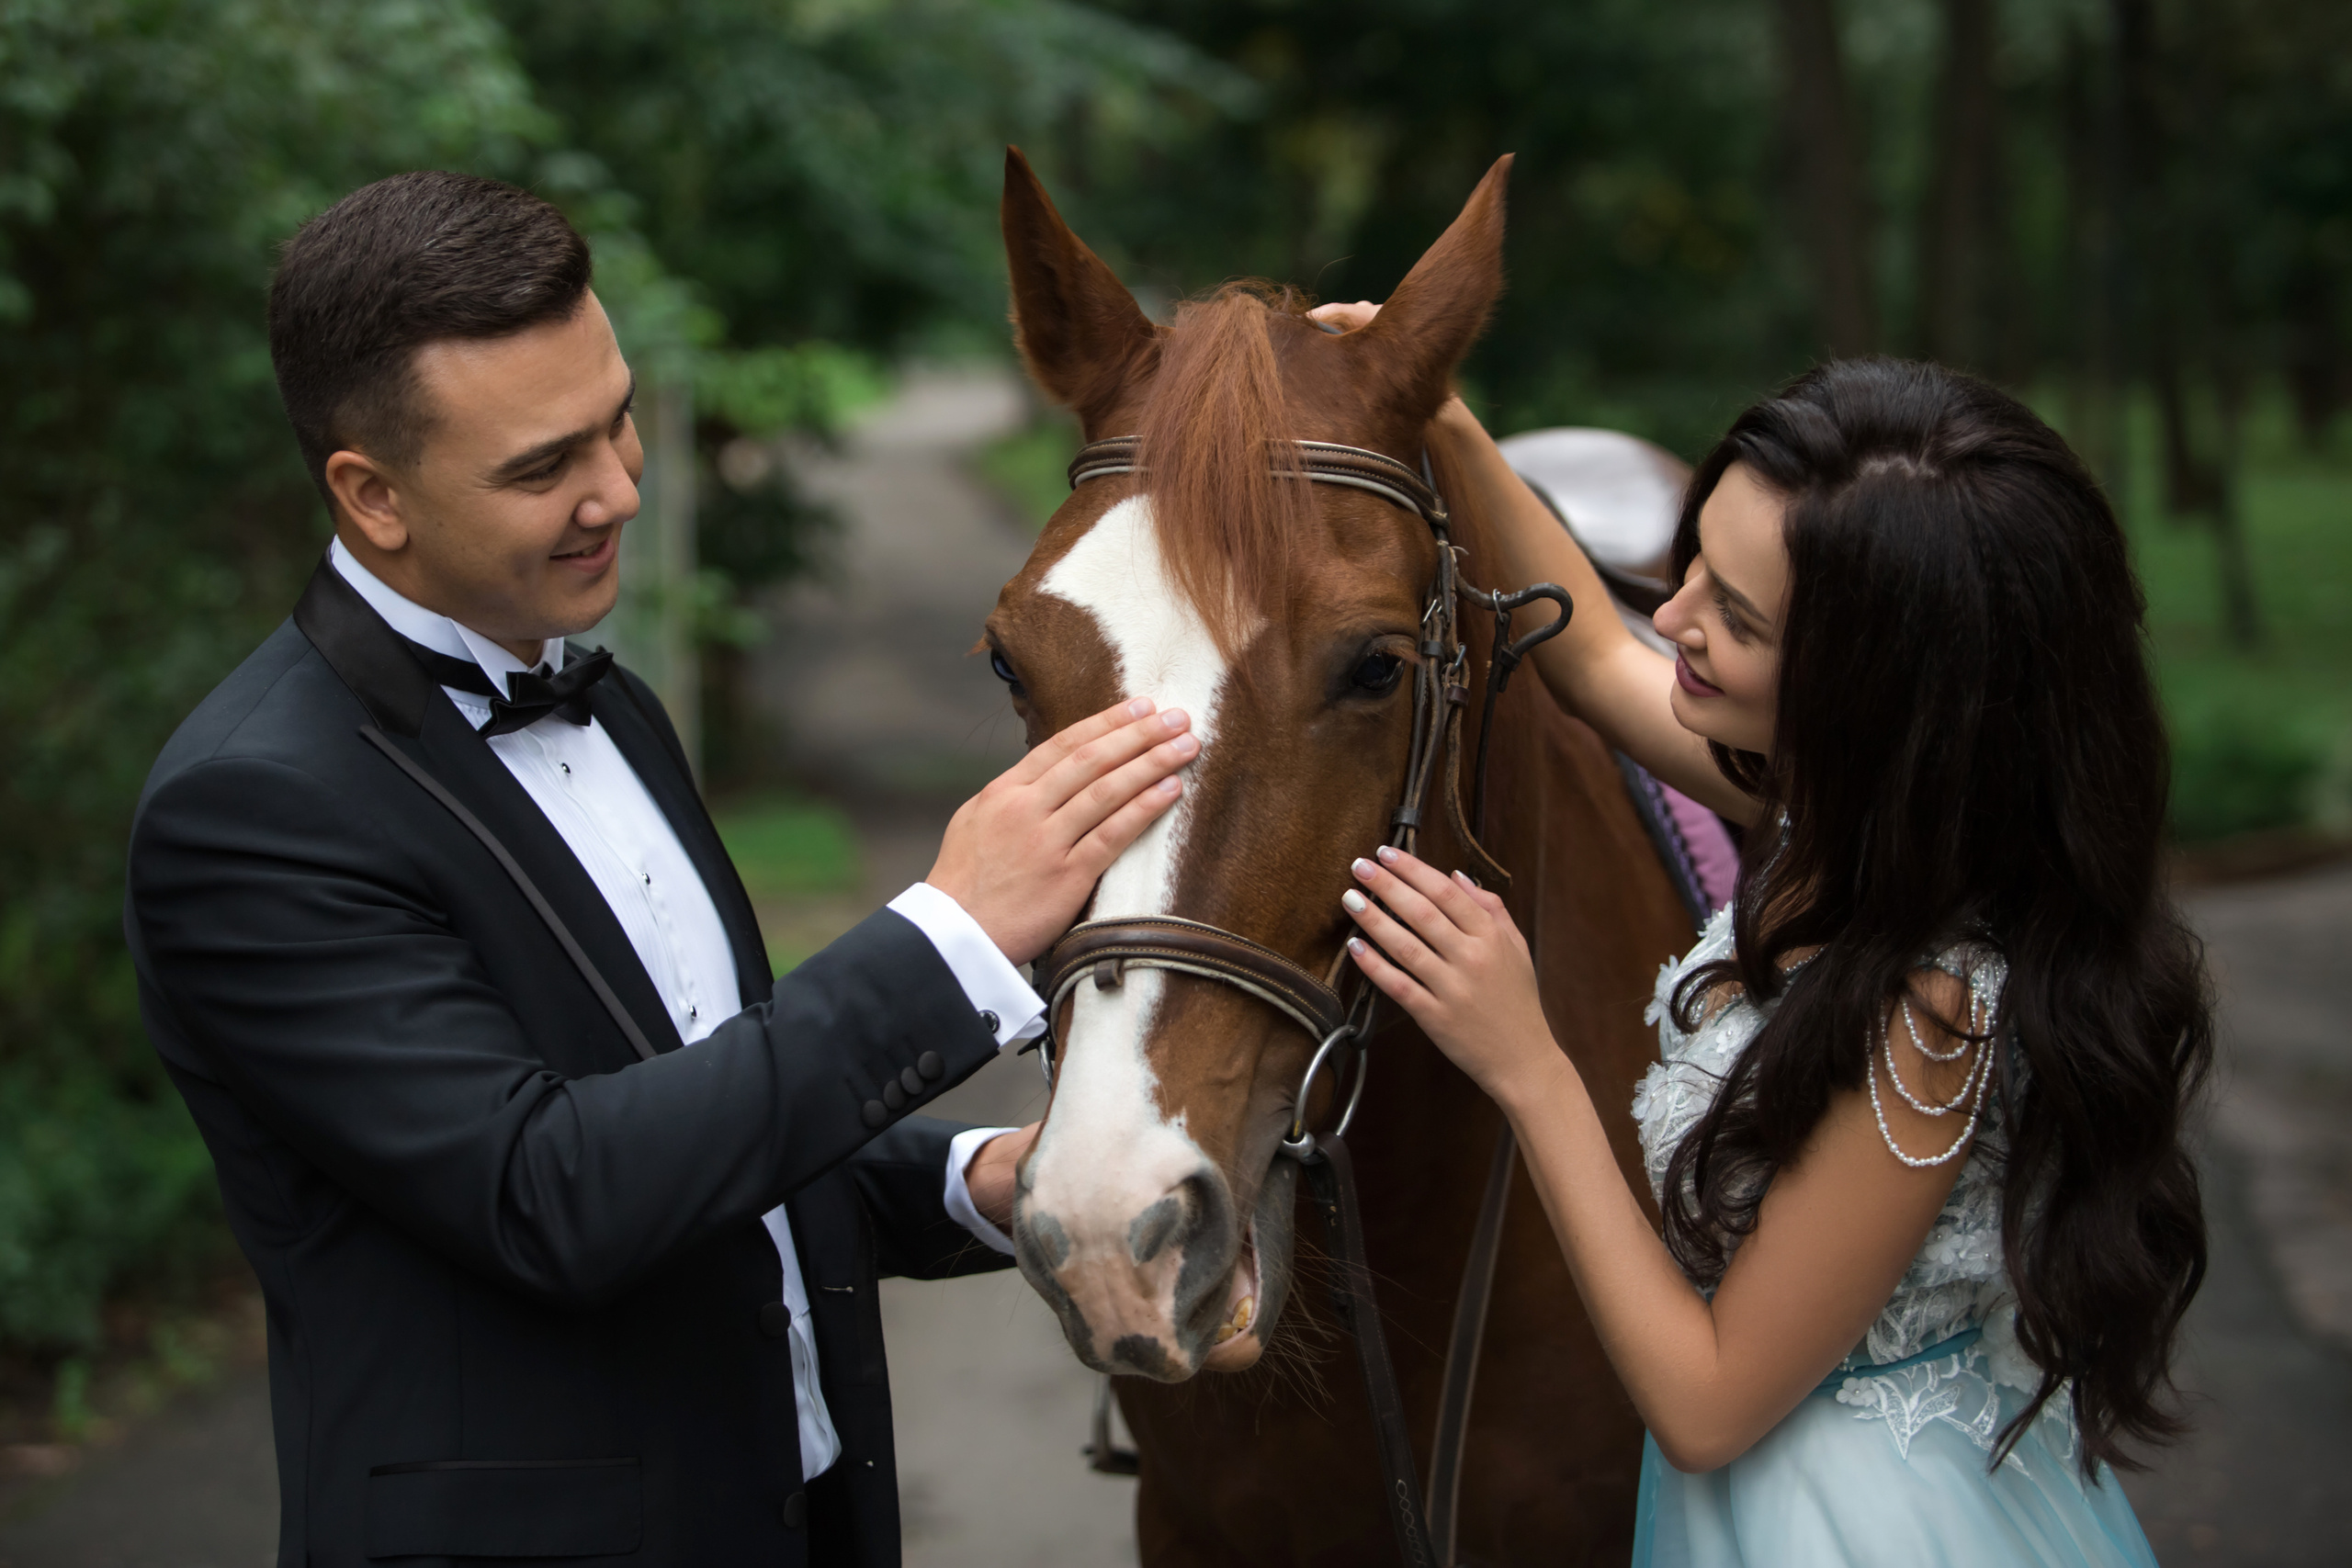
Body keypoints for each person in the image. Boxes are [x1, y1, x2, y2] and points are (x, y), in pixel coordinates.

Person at [125, 171, 1196, 1568]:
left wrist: (972, 1179)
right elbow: (551, 1190)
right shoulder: (249, 811)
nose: (619, 489)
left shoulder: (608, 699)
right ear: (371, 495)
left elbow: (700, 1111)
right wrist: (949, 935)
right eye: (541, 467)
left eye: (617, 418)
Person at [1310, 316, 2210, 1566]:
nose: (1670, 615)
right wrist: (1443, 418)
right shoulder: (1844, 818)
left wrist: (1528, 1061)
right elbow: (1598, 666)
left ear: (1872, 691)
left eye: (1732, 612)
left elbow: (1707, 1403)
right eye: (1692, 567)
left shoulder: (1931, 1013)